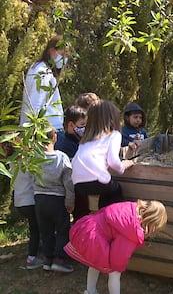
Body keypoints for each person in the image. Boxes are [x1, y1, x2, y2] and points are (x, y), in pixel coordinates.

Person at [64, 199, 167, 294]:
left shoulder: (130, 209)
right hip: (94, 239)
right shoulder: (132, 231)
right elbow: (118, 256)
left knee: (94, 264)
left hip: (87, 228)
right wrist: (118, 267)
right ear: (151, 222)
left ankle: (90, 291)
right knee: (115, 273)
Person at [71, 100, 134, 221]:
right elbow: (113, 161)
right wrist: (124, 166)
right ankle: (109, 221)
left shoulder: (86, 137)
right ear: (112, 118)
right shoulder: (113, 134)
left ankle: (79, 225)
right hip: (96, 178)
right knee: (115, 190)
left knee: (82, 206)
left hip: (77, 180)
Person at [33, 129, 75, 273]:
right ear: (55, 138)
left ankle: (47, 258)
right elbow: (68, 182)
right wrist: (70, 201)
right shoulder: (62, 157)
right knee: (62, 229)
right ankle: (59, 259)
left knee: (46, 230)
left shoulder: (34, 157)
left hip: (39, 198)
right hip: (57, 199)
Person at [20, 35, 70, 132]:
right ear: (51, 50)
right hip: (46, 131)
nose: (64, 60)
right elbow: (36, 103)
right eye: (62, 55)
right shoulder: (43, 72)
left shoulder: (38, 67)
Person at [12, 170, 43, 269]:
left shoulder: (13, 162)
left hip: (19, 201)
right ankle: (31, 259)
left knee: (33, 228)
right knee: (36, 230)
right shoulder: (29, 162)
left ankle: (37, 248)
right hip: (30, 200)